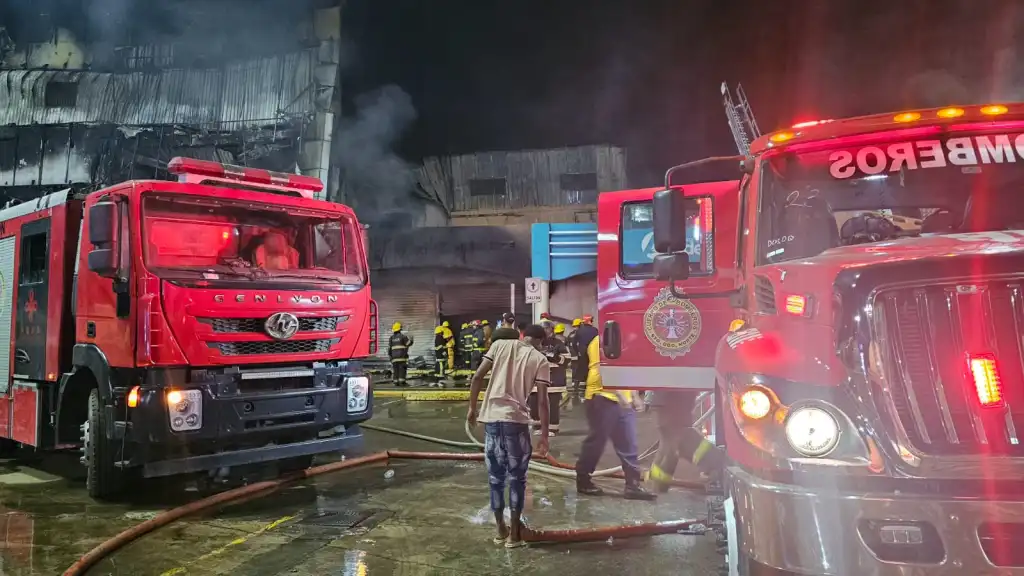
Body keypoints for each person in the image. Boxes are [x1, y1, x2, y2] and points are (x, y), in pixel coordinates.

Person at [467, 324, 551, 549]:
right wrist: (544, 435)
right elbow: (543, 401)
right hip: (516, 422)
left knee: (495, 479)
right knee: (517, 480)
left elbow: (477, 376)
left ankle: (500, 530)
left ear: (524, 336)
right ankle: (514, 535)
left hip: (492, 421)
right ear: (540, 341)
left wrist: (472, 408)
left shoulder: (499, 346)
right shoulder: (540, 359)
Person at [575, 334, 656, 500]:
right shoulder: (600, 340)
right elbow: (602, 370)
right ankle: (583, 480)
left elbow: (628, 369)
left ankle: (633, 485)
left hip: (623, 400)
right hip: (601, 397)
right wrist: (620, 395)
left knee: (629, 443)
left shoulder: (626, 338)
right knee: (597, 442)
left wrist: (634, 395)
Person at [647, 391, 724, 492]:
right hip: (674, 398)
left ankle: (658, 490)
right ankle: (718, 465)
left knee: (669, 446)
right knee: (677, 441)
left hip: (666, 398)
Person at [530, 321, 568, 436]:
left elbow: (567, 360)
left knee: (552, 404)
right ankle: (538, 426)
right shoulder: (534, 343)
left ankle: (552, 428)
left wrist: (555, 357)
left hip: (554, 379)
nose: (544, 330)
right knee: (534, 403)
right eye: (542, 328)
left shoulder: (558, 343)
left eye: (547, 328)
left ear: (551, 329)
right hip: (536, 379)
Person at [388, 322, 413, 387]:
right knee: (402, 370)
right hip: (402, 357)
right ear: (400, 329)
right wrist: (411, 340)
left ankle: (396, 382)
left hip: (394, 358)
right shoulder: (403, 336)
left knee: (396, 370)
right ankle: (402, 382)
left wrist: (390, 357)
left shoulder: (391, 338)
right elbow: (408, 344)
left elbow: (389, 349)